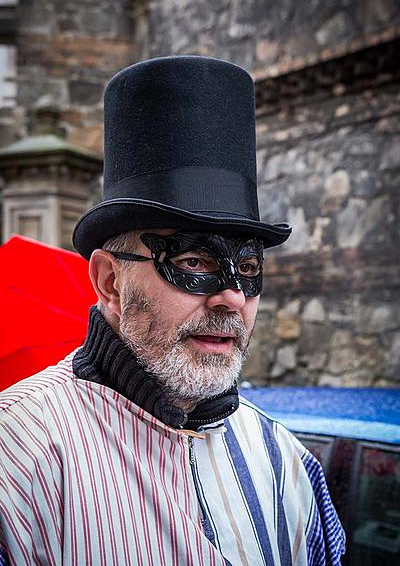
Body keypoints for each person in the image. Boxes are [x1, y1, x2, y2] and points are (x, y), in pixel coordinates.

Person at [0, 56, 345, 565]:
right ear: (110, 281)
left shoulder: (287, 465)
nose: (231, 298)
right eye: (192, 260)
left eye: (248, 269)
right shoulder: (17, 461)